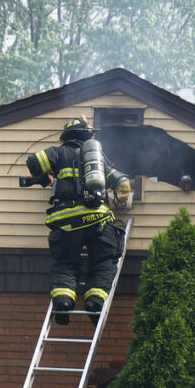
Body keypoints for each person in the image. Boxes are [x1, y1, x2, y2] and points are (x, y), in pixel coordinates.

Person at [25, 117, 130, 325]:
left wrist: (45, 176)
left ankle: (63, 302)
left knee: (65, 262)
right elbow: (123, 185)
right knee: (103, 261)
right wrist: (122, 200)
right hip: (97, 219)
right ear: (86, 135)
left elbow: (33, 162)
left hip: (66, 222)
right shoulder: (97, 158)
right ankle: (95, 302)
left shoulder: (58, 152)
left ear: (66, 136)